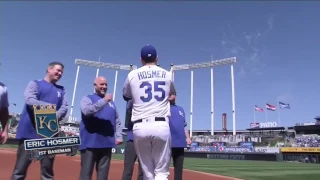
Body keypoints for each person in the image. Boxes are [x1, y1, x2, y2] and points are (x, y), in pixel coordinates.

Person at [122, 44, 176, 180]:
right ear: (157, 58)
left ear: (141, 59)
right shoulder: (168, 74)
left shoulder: (132, 74)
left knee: (147, 173)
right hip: (160, 125)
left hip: (140, 126)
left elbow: (126, 96)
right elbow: (172, 93)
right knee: (162, 172)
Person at [12, 62, 68, 180]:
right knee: (20, 170)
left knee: (47, 172)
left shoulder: (61, 90)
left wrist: (54, 116)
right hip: (29, 133)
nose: (60, 73)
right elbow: (30, 100)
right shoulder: (35, 83)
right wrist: (50, 109)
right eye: (58, 70)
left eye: (62, 72)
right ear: (49, 69)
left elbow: (64, 107)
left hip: (49, 135)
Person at [79, 76, 123, 180]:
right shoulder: (87, 98)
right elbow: (87, 111)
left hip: (106, 143)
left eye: (106, 84)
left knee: (103, 176)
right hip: (89, 143)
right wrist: (104, 101)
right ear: (95, 85)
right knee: (86, 175)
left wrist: (119, 135)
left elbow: (117, 120)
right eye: (101, 84)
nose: (104, 86)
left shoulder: (112, 103)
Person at [169, 95, 192, 180]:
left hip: (180, 143)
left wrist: (188, 138)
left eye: (172, 93)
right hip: (166, 142)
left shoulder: (181, 109)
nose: (170, 95)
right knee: (162, 170)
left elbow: (184, 126)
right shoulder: (162, 107)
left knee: (179, 169)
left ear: (175, 95)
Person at [121, 99, 143, 180]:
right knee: (128, 170)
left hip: (144, 141)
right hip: (132, 140)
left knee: (143, 172)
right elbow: (129, 105)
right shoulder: (132, 101)